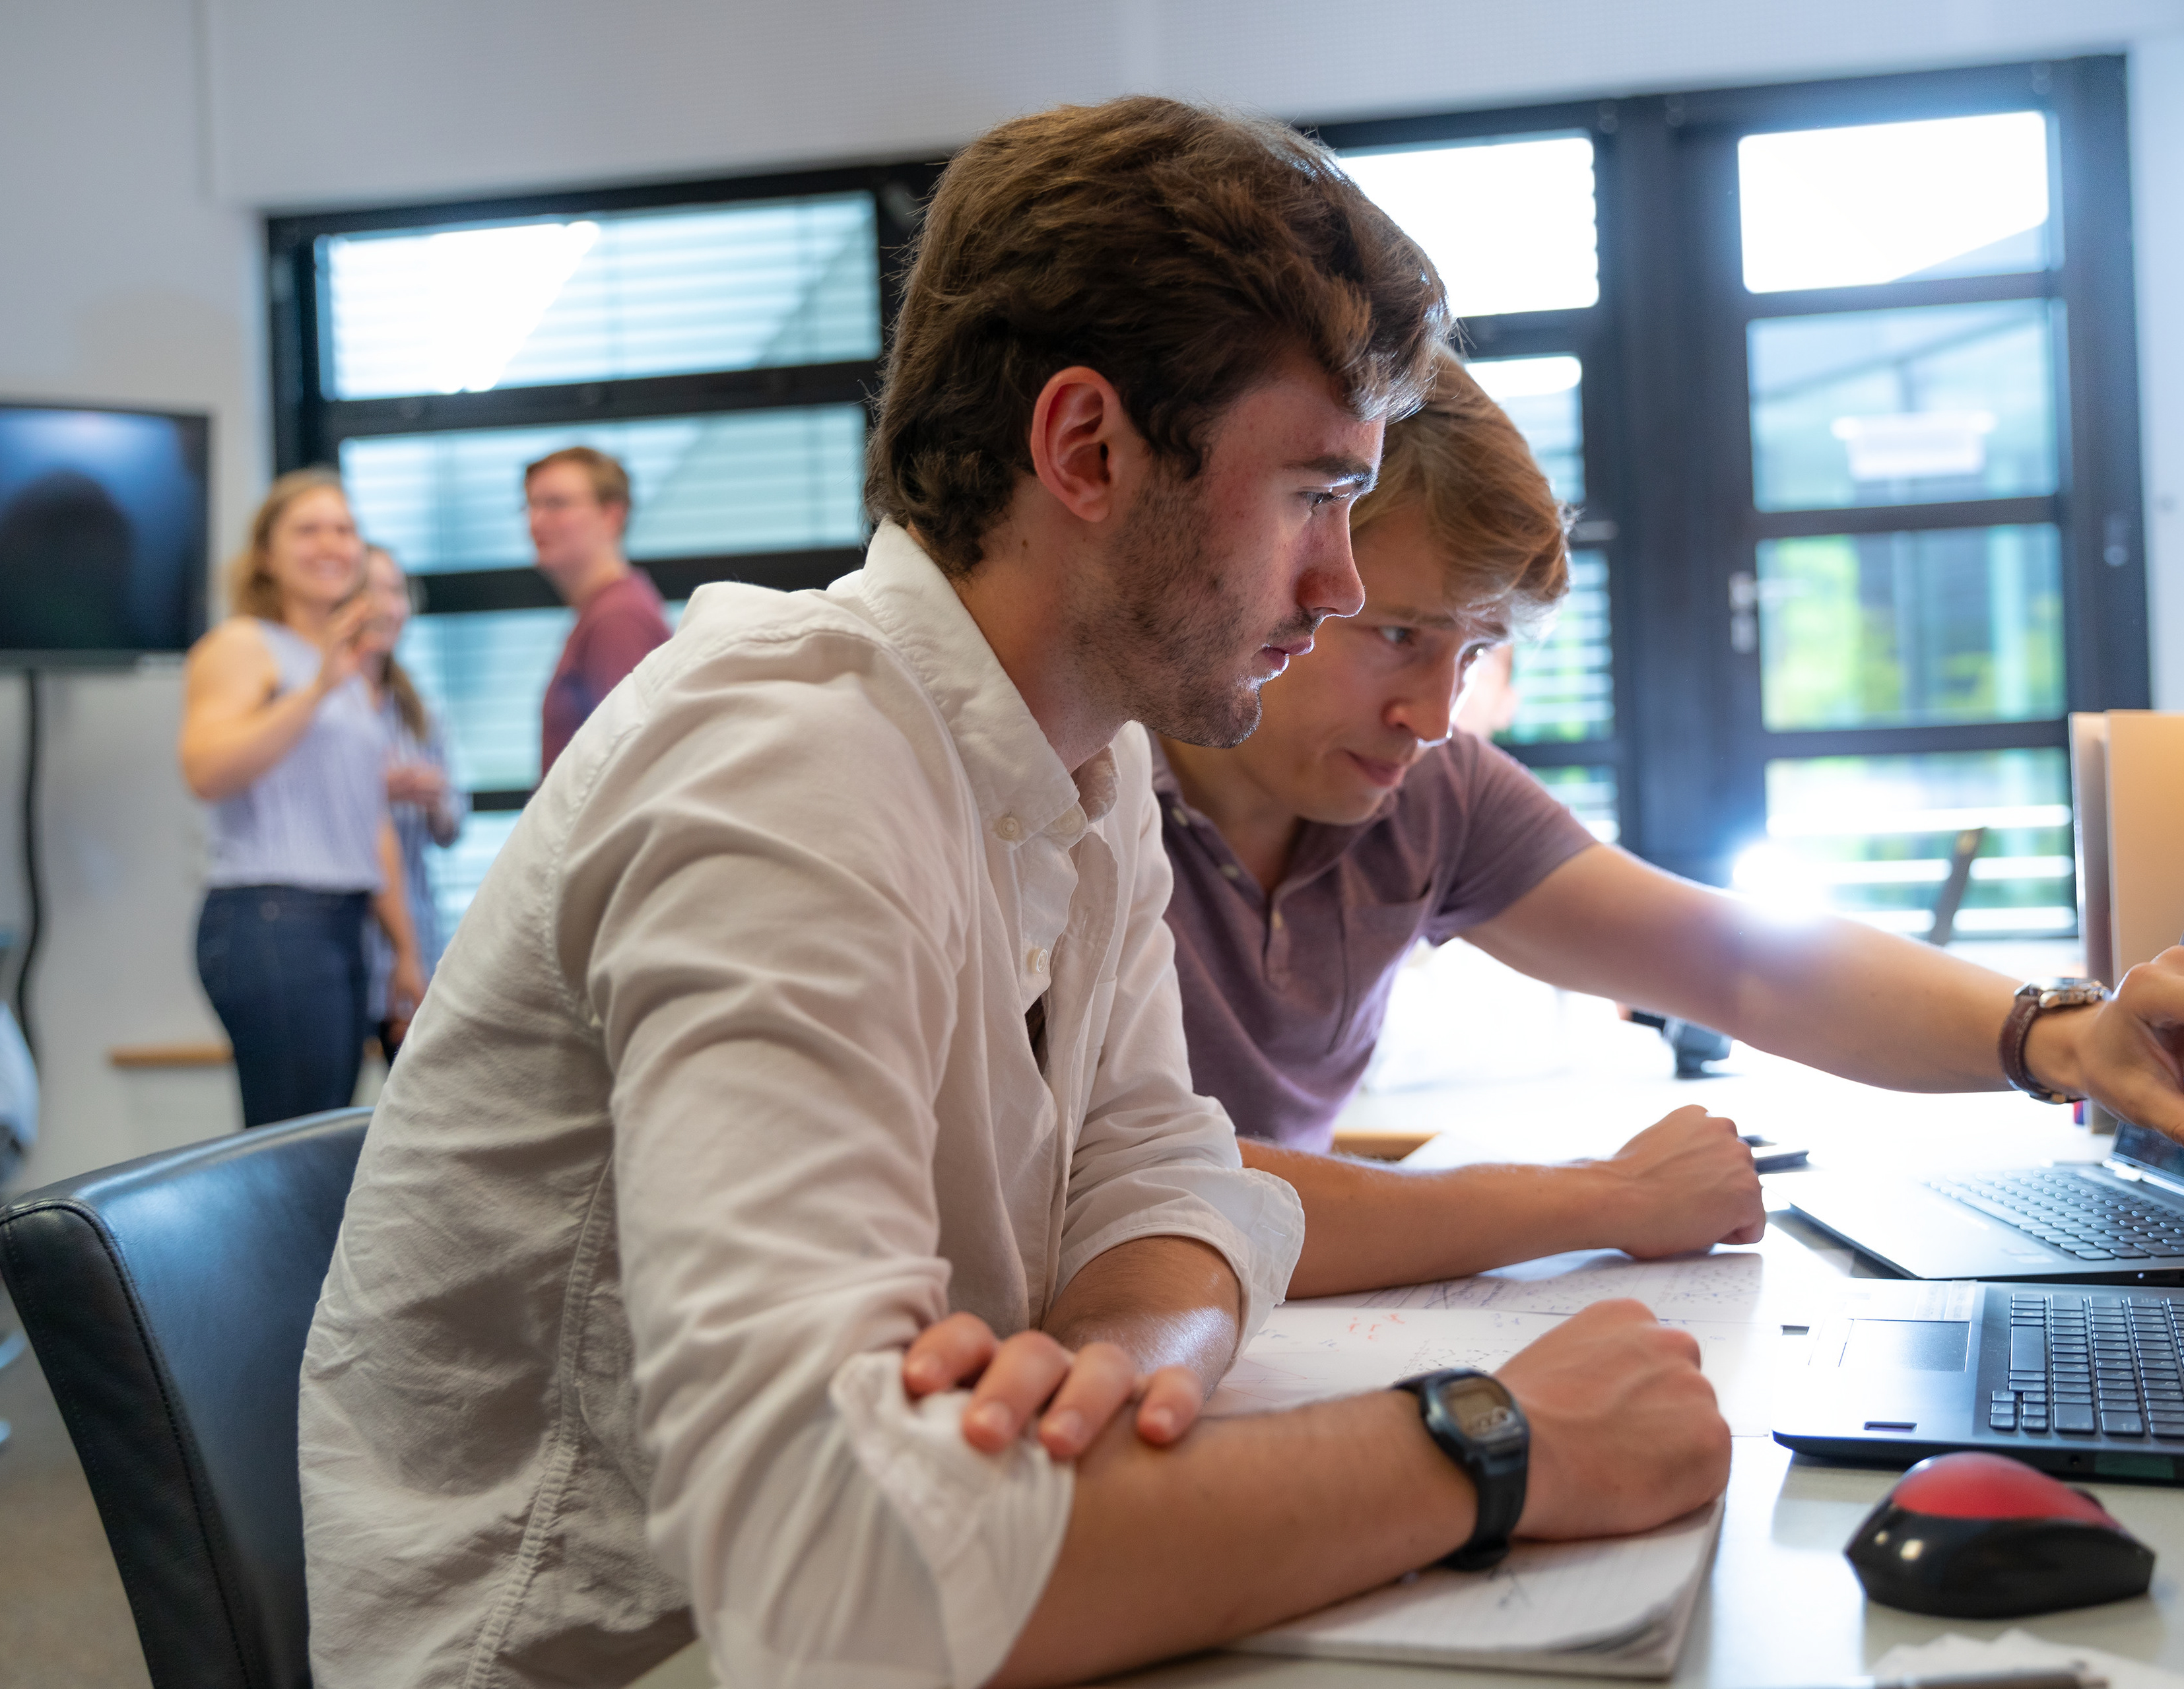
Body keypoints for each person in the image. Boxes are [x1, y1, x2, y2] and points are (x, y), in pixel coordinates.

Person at [298, 97, 1731, 1689]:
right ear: (1086, 450)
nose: (1338, 585)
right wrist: (1494, 1444)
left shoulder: (1083, 761)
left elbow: (1159, 1172)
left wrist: (1116, 1366)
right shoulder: (788, 759)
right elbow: (830, 1577)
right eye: (1317, 493)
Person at [1157, 354, 2184, 1298]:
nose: (1434, 715)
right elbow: (1138, 1193)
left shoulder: (1428, 789)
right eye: (1401, 635)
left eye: (1475, 654)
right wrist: (1605, 1198)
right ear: (1285, 564)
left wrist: (2063, 1038)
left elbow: (1747, 968)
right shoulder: (1086, 795)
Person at [180, 471, 428, 1128]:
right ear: (266, 553)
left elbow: (366, 818)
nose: (331, 544)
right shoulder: (245, 646)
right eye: (308, 529)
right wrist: (316, 689)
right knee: (289, 1149)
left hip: (341, 922)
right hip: (270, 917)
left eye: (344, 529)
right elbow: (206, 770)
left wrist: (404, 950)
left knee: (318, 1138)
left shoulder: (348, 669)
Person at [358, 546, 466, 1059]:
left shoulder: (421, 710)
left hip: (417, 939)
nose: (387, 605)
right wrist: (374, 790)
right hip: (347, 942)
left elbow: (451, 829)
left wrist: (434, 797)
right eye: (370, 588)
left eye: (396, 590)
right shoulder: (324, 704)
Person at [527, 444, 672, 776]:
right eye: (531, 505)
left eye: (555, 504)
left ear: (611, 515)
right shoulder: (603, 610)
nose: (535, 522)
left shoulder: (618, 619)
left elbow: (630, 767)